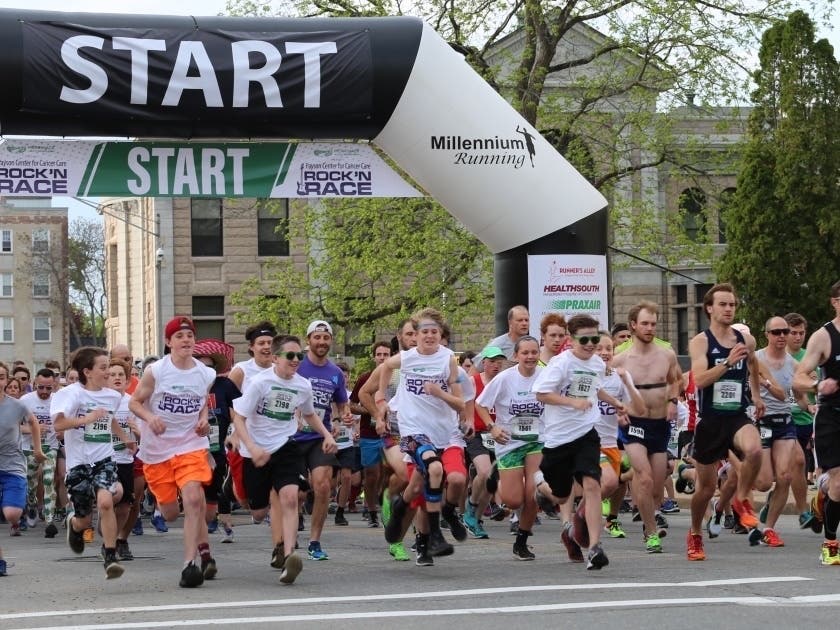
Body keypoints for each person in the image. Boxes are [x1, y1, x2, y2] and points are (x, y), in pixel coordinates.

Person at [232, 334, 337, 584]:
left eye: (299, 355)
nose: (295, 360)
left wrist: (326, 435)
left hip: (285, 446)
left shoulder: (303, 385)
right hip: (255, 451)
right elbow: (239, 418)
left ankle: (290, 555)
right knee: (258, 511)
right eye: (290, 355)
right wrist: (251, 447)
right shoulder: (259, 383)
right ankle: (236, 487)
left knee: (291, 497)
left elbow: (310, 415)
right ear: (276, 358)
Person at [532, 315, 627, 570]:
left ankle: (595, 547)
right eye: (584, 339)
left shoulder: (596, 363)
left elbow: (595, 388)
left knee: (593, 486)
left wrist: (614, 401)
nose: (590, 344)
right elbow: (541, 393)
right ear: (571, 340)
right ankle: (541, 486)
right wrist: (572, 403)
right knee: (562, 496)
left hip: (586, 433)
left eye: (594, 338)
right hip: (559, 439)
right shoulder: (561, 364)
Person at [129, 317, 217, 587]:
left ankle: (190, 565)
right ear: (169, 343)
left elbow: (202, 403)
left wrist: (203, 419)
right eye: (179, 336)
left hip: (190, 445)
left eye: (190, 335)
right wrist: (149, 417)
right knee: (169, 512)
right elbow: (134, 402)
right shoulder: (156, 371)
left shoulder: (205, 373)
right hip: (158, 450)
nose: (186, 340)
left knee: (193, 499)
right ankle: (195, 545)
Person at [378, 308, 467, 566]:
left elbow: (460, 403)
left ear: (441, 334)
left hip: (442, 431)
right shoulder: (407, 358)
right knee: (435, 469)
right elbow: (385, 366)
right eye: (424, 332)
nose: (429, 336)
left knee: (418, 486)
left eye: (434, 332)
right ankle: (435, 536)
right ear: (415, 336)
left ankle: (400, 508)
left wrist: (440, 394)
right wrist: (381, 398)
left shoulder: (448, 359)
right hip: (412, 429)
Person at [686, 283, 765, 561]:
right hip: (710, 420)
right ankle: (695, 532)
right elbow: (701, 380)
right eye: (723, 304)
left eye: (732, 304)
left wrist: (755, 395)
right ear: (710, 308)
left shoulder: (746, 340)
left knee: (755, 450)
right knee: (705, 489)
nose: (729, 309)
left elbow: (754, 365)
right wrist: (728, 363)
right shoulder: (701, 341)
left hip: (736, 416)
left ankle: (742, 498)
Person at [52, 347, 134, 579]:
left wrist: (125, 439)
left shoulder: (113, 397)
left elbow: (108, 421)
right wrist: (86, 419)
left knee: (106, 501)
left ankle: (110, 555)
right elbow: (58, 425)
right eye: (104, 367)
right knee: (85, 519)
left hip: (104, 459)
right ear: (87, 372)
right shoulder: (71, 394)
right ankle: (75, 525)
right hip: (78, 463)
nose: (109, 372)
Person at [611, 301, 681, 553]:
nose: (650, 328)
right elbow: (606, 390)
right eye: (645, 323)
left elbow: (676, 381)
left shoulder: (667, 355)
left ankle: (646, 520)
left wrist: (673, 401)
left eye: (653, 323)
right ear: (633, 325)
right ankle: (652, 534)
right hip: (634, 424)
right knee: (645, 477)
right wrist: (617, 411)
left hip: (660, 424)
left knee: (657, 485)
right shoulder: (620, 358)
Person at [475, 336, 544, 559]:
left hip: (537, 440)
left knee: (532, 494)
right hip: (510, 442)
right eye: (525, 353)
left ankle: (521, 541)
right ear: (516, 356)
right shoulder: (505, 379)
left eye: (534, 352)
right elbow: (480, 404)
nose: (530, 357)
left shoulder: (546, 376)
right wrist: (492, 427)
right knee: (514, 500)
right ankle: (497, 478)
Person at [793, 280, 840, 565]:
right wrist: (818, 385)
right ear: (834, 301)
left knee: (835, 488)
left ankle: (822, 496)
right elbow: (799, 377)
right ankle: (831, 542)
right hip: (831, 416)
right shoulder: (824, 337)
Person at [295, 320, 350, 561]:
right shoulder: (297, 365)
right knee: (294, 492)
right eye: (317, 338)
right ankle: (291, 523)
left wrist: (338, 421)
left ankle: (314, 541)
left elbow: (340, 403)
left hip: (320, 436)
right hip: (293, 437)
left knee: (324, 485)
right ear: (308, 340)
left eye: (326, 338)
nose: (321, 342)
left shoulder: (335, 373)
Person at [754, 316, 806, 547]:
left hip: (785, 422)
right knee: (765, 482)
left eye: (785, 331)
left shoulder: (793, 364)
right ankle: (766, 496)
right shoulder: (756, 359)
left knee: (785, 476)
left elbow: (804, 387)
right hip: (762, 423)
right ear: (767, 335)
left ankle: (769, 529)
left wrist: (814, 397)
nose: (782, 336)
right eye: (776, 332)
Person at [193, 339, 240, 544]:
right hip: (193, 447)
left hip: (218, 446)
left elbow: (240, 409)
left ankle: (225, 525)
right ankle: (201, 528)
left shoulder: (224, 385)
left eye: (210, 366)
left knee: (217, 488)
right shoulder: (189, 387)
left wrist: (236, 431)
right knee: (196, 489)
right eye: (202, 366)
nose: (206, 370)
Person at [462, 345, 506, 539]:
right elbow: (464, 406)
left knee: (491, 479)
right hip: (477, 433)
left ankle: (476, 519)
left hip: (498, 435)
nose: (496, 365)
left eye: (499, 362)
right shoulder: (473, 381)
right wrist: (466, 423)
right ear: (484, 363)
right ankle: (471, 506)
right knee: (485, 471)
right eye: (492, 361)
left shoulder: (504, 382)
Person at [349, 341, 392, 529]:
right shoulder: (366, 378)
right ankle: (371, 509)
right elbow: (351, 405)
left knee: (388, 473)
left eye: (386, 354)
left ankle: (382, 506)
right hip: (369, 433)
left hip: (391, 432)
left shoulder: (396, 377)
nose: (382, 358)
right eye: (379, 354)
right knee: (371, 473)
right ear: (374, 356)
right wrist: (370, 410)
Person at [785, 312, 818, 527]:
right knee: (791, 466)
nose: (798, 337)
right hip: (785, 420)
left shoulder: (811, 357)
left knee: (801, 467)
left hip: (807, 419)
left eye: (801, 333)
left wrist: (814, 381)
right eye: (793, 333)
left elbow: (818, 387)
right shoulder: (777, 356)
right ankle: (803, 510)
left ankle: (788, 504)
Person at [20, 369, 60, 538]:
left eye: (48, 388)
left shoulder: (59, 401)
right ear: (35, 383)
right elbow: (14, 426)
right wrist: (32, 429)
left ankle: (49, 521)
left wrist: (62, 431)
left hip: (50, 447)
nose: (44, 392)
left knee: (49, 479)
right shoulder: (25, 401)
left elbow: (64, 423)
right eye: (41, 388)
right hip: (28, 448)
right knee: (31, 483)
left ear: (54, 386)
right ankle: (31, 504)